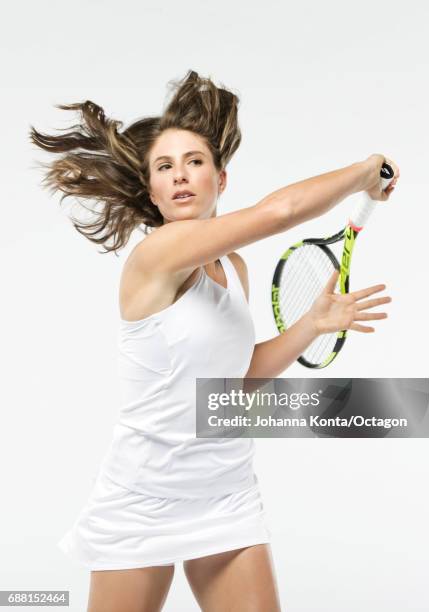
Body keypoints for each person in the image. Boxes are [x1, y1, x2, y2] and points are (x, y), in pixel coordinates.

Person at [30, 69, 399, 612]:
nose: (180, 175)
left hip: (225, 493)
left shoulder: (235, 267)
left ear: (219, 180)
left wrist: (311, 326)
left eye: (194, 162)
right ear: (152, 190)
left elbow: (236, 382)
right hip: (142, 501)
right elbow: (280, 212)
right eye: (165, 166)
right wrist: (369, 170)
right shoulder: (155, 258)